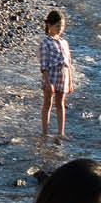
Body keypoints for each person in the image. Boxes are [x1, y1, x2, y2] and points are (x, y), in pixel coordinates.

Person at [40, 10, 74, 140]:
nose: (60, 29)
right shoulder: (45, 42)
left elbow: (69, 63)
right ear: (49, 25)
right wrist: (47, 82)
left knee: (60, 103)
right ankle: (45, 132)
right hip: (51, 75)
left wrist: (70, 81)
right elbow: (44, 64)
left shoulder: (64, 42)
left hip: (63, 75)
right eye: (57, 26)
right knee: (47, 103)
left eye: (62, 26)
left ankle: (61, 132)